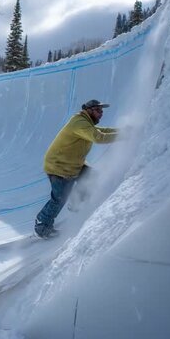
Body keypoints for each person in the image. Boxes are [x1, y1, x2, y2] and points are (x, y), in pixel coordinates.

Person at [35, 99, 118, 238]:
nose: (101, 113)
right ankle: (41, 225)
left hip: (73, 164)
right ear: (89, 110)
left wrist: (122, 130)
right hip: (59, 166)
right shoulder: (79, 123)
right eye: (98, 110)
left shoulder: (85, 122)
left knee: (91, 177)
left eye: (102, 111)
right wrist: (124, 135)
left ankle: (76, 205)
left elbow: (101, 131)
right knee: (59, 199)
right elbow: (99, 137)